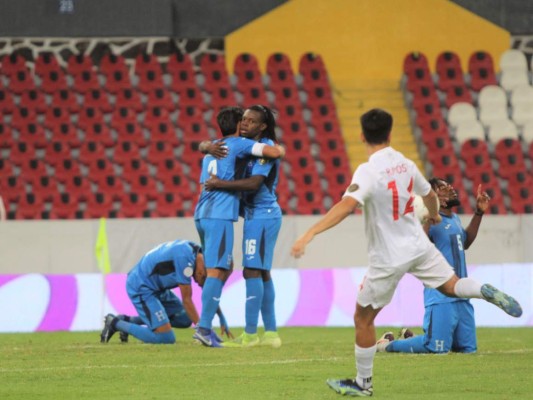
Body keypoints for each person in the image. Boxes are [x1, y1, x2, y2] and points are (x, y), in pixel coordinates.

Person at [290, 108, 522, 397]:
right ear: (390, 133)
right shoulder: (406, 164)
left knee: (363, 318)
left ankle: (364, 384)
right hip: (417, 244)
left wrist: (309, 233)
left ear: (362, 135)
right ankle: (482, 289)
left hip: (388, 255)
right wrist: (435, 216)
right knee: (451, 286)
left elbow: (347, 206)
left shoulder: (368, 170)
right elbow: (429, 196)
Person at [193, 106, 285, 348]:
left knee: (252, 271)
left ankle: (252, 334)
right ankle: (270, 333)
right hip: (251, 215)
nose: (245, 124)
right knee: (259, 271)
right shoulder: (236, 145)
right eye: (243, 120)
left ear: (262, 126)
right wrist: (205, 145)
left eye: (251, 121)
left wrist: (219, 182)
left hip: (262, 214)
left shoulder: (260, 148)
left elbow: (255, 183)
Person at [378, 178, 490, 354]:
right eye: (444, 187)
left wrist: (478, 213)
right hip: (440, 296)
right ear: (435, 197)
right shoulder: (426, 222)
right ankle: (387, 345)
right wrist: (428, 218)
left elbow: (465, 242)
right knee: (436, 348)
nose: (451, 188)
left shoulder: (454, 219)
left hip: (462, 297)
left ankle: (410, 338)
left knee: (468, 350)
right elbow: (418, 246)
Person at [100, 239, 224, 345]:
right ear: (202, 272)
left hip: (156, 287)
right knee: (165, 338)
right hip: (141, 286)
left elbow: (208, 294)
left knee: (185, 319)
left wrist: (222, 317)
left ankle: (128, 321)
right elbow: (187, 300)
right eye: (200, 281)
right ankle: (115, 323)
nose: (197, 282)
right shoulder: (186, 261)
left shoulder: (196, 253)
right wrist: (204, 330)